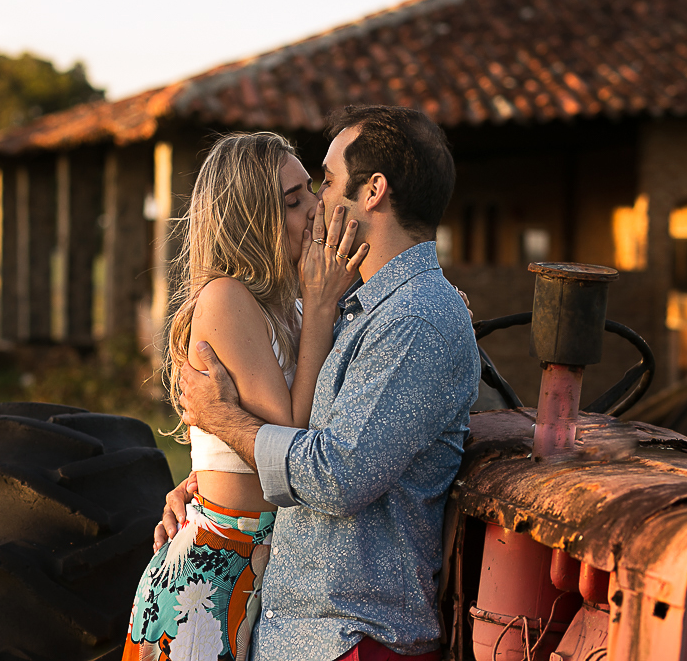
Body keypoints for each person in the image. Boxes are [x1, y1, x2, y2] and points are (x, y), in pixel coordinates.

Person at [171, 105, 480, 661]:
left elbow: (335, 475)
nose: (319, 203)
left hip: (347, 635)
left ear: (373, 192)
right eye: (301, 196)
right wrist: (202, 483)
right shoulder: (362, 312)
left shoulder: (413, 319)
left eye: (328, 182)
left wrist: (225, 423)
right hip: (303, 629)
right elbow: (302, 430)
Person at [122, 132, 369, 661]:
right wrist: (323, 309)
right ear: (250, 216)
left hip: (263, 568)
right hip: (210, 574)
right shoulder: (226, 298)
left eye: (311, 190)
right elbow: (292, 439)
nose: (316, 209)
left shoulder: (292, 306)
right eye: (294, 199)